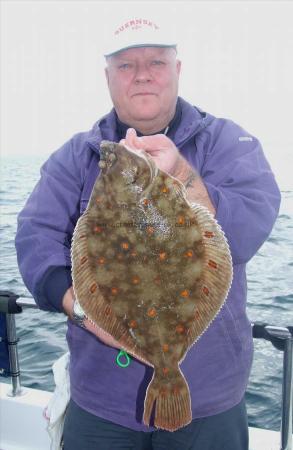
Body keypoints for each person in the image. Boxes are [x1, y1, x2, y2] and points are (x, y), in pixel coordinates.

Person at [15, 18, 281, 450]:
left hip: (208, 400)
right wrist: (89, 314)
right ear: (108, 78)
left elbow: (249, 226)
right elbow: (35, 240)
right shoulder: (75, 156)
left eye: (156, 61)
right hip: (101, 401)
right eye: (125, 65)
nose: (141, 73)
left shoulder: (227, 141)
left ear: (178, 70)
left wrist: (181, 174)